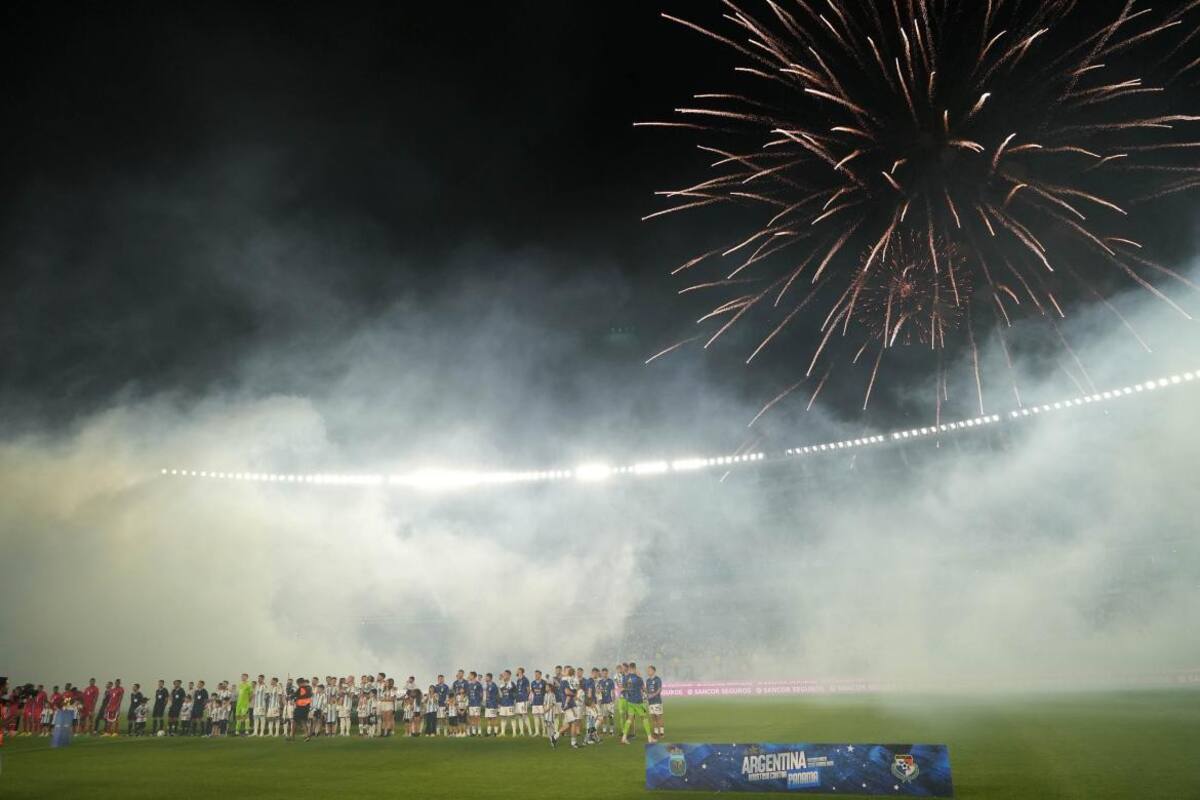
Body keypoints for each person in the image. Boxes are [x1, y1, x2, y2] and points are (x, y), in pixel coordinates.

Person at [620, 663, 654, 745]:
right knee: (644, 718)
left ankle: (624, 737)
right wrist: (649, 693)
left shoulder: (625, 678)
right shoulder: (638, 679)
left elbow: (622, 689)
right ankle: (650, 738)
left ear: (629, 669)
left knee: (629, 719)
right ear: (634, 668)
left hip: (630, 701)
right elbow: (644, 689)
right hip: (638, 701)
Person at [549, 667, 580, 749]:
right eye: (566, 670)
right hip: (567, 705)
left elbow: (573, 690)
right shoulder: (564, 681)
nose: (565, 671)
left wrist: (574, 692)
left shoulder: (568, 680)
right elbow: (567, 692)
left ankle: (555, 737)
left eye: (567, 670)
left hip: (571, 703)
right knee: (573, 722)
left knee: (569, 724)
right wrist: (575, 694)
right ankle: (573, 743)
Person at [291, 677, 312, 741]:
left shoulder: (301, 688)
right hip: (307, 706)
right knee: (303, 721)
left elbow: (295, 695)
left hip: (300, 706)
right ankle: (306, 736)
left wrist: (292, 696)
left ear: (300, 683)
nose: (298, 685)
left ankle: (292, 737)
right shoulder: (309, 688)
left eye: (298, 684)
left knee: (295, 721)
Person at [647, 665, 665, 738]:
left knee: (658, 717)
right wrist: (646, 694)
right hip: (650, 702)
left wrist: (653, 695)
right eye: (648, 670)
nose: (648, 672)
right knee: (653, 717)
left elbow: (659, 689)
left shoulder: (657, 679)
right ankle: (656, 732)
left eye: (649, 670)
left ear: (654, 671)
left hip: (657, 701)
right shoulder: (647, 680)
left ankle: (662, 733)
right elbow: (647, 690)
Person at [497, 670, 516, 736]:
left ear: (509, 675)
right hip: (503, 703)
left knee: (512, 717)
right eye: (503, 674)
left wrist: (512, 699)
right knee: (503, 717)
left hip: (510, 703)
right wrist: (501, 680)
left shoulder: (512, 683)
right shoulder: (502, 683)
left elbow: (510, 690)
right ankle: (502, 732)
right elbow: (501, 691)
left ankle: (514, 732)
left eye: (505, 674)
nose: (503, 675)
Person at [529, 670, 547, 737]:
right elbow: (532, 693)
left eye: (537, 675)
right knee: (535, 717)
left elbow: (546, 692)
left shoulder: (544, 682)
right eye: (535, 675)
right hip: (535, 702)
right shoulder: (533, 683)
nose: (536, 676)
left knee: (542, 718)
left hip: (542, 702)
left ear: (540, 675)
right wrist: (531, 701)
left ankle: (544, 732)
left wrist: (545, 702)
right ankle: (537, 732)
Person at [598, 668, 616, 735]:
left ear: (607, 673)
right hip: (603, 702)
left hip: (609, 701)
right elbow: (598, 691)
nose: (604, 674)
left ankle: (611, 731)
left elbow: (613, 691)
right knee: (604, 717)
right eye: (603, 673)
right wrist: (599, 691)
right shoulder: (600, 682)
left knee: (611, 717)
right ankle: (604, 730)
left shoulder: (610, 681)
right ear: (602, 673)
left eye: (606, 673)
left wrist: (613, 701)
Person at [514, 667, 531, 736]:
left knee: (524, 715)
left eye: (518, 670)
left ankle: (530, 731)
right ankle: (521, 732)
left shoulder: (525, 679)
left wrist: (526, 697)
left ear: (521, 671)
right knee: (519, 715)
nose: (517, 671)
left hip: (523, 699)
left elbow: (528, 690)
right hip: (518, 699)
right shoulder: (518, 680)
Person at [466, 672, 483, 737]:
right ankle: (473, 732)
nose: (469, 676)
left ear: (473, 676)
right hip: (471, 704)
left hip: (476, 704)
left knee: (477, 718)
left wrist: (479, 702)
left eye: (470, 675)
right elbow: (468, 694)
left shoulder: (478, 684)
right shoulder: (469, 685)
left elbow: (481, 695)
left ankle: (479, 732)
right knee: (472, 718)